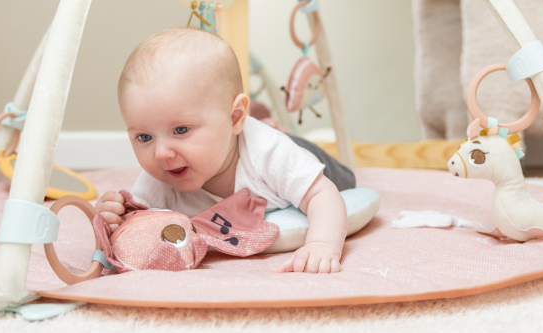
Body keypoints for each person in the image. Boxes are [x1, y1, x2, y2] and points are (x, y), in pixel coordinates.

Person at [95, 27, 355, 274]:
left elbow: (322, 194)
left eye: (181, 130)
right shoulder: (161, 173)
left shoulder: (268, 152)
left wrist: (322, 245)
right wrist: (115, 217)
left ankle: (280, 132)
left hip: (301, 154)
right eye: (144, 137)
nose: (161, 153)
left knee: (344, 180)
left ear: (234, 117)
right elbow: (141, 223)